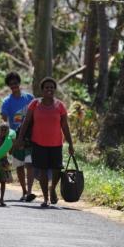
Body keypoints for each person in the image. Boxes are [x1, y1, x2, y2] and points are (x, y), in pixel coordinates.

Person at [16, 77, 74, 208]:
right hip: (38, 143)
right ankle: (46, 199)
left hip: (56, 143)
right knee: (42, 171)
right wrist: (20, 138)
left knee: (57, 170)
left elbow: (65, 126)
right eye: (47, 87)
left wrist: (70, 143)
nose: (49, 89)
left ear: (55, 90)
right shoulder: (35, 104)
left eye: (52, 87)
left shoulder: (60, 106)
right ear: (42, 90)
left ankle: (52, 188)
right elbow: (26, 122)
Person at [0, 72, 36, 202]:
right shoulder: (6, 102)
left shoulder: (30, 98)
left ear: (19, 83)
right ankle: (24, 190)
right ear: (9, 86)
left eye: (15, 83)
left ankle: (30, 191)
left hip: (29, 137)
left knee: (29, 163)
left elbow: (36, 116)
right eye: (11, 84)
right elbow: (4, 122)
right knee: (19, 165)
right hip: (15, 138)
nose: (14, 86)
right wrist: (4, 140)